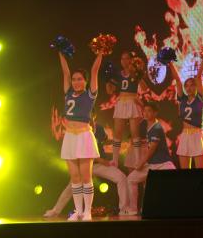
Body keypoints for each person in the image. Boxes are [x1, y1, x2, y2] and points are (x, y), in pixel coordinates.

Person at [44, 117, 131, 217]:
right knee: (71, 187)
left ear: (94, 117)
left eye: (90, 115)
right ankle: (55, 211)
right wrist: (102, 160)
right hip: (83, 165)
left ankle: (124, 209)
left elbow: (106, 142)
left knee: (121, 177)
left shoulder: (99, 128)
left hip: (98, 166)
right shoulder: (76, 131)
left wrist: (119, 148)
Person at [57, 51, 103, 221]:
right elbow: (65, 72)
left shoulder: (90, 95)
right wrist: (60, 53)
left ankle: (88, 211)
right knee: (74, 178)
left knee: (85, 176)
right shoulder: (68, 93)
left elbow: (95, 71)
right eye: (74, 79)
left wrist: (100, 53)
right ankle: (78, 211)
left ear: (85, 81)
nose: (76, 82)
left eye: (80, 79)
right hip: (69, 136)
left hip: (84, 137)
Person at [126, 103, 176, 215]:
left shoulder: (157, 128)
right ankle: (133, 209)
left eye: (149, 111)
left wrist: (140, 163)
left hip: (163, 164)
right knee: (131, 179)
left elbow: (152, 149)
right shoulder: (146, 124)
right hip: (152, 164)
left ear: (155, 113)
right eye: (145, 111)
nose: (146, 113)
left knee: (174, 183)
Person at [169, 60, 203, 169]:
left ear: (196, 87)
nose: (189, 88)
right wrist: (170, 63)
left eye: (192, 85)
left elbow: (198, 77)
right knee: (185, 172)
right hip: (185, 135)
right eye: (186, 86)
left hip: (197, 135)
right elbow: (177, 80)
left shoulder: (199, 98)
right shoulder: (182, 99)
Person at [111, 51, 147, 167]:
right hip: (121, 102)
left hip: (133, 102)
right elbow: (110, 90)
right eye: (122, 59)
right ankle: (115, 160)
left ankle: (137, 160)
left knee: (135, 132)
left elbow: (145, 88)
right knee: (117, 132)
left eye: (126, 58)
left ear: (131, 60)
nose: (124, 61)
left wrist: (138, 75)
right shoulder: (118, 74)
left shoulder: (136, 74)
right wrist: (108, 80)